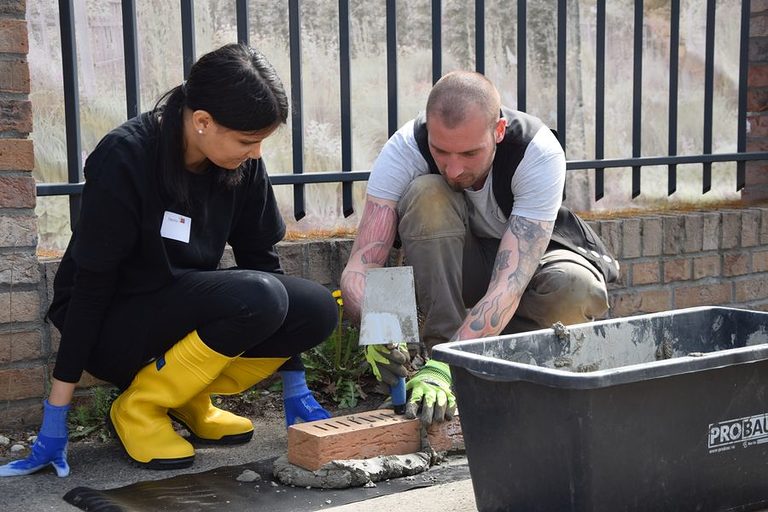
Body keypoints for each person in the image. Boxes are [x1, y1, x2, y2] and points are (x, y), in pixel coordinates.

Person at [0, 43, 337, 477]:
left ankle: (187, 397)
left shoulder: (240, 164)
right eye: (247, 141)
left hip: (177, 311)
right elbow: (91, 284)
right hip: (114, 326)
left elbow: (261, 258)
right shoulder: (126, 157)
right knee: (260, 296)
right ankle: (138, 408)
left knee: (316, 308)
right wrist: (54, 416)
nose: (255, 154)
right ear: (202, 121)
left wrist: (296, 384)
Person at [341, 70, 618, 425]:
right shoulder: (404, 148)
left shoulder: (537, 151)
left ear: (498, 132)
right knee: (427, 193)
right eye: (441, 151)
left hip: (529, 264)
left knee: (577, 290)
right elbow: (363, 264)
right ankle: (429, 367)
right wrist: (377, 323)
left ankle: (491, 368)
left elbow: (509, 284)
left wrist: (451, 363)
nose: (454, 169)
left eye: (470, 153)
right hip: (459, 262)